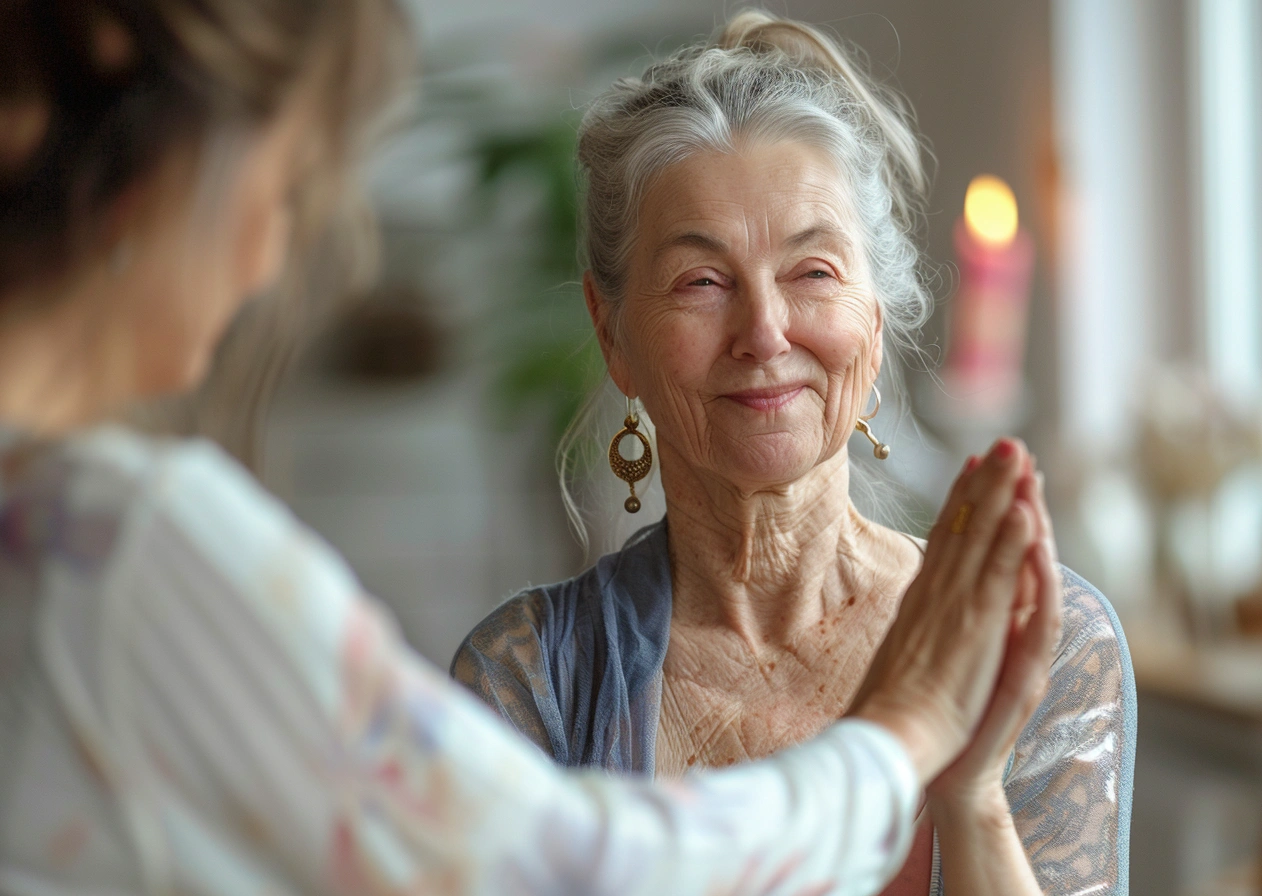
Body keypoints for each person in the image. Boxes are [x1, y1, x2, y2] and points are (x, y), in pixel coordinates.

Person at [0, 2, 1062, 895]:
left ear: (879, 310)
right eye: (282, 187)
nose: (271, 254)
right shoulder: (110, 538)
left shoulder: (76, 523)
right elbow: (565, 859)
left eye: (814, 271)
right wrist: (906, 731)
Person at [452, 11, 1136, 896]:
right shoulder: (529, 679)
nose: (766, 332)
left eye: (813, 272)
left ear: (874, 322)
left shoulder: (1041, 642)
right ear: (611, 331)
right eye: (702, 281)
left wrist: (971, 795)